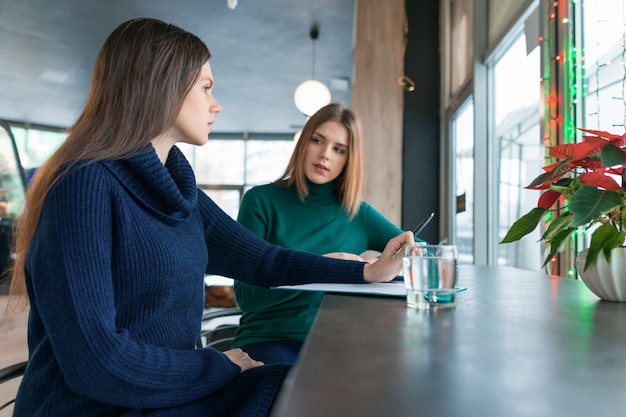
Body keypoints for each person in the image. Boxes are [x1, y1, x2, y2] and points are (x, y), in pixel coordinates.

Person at [6, 18, 413, 417]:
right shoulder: (83, 185)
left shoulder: (179, 191)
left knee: (336, 389)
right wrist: (219, 366)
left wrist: (366, 273)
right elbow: (95, 361)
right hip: (98, 406)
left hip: (167, 392)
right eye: (205, 88)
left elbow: (264, 260)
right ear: (160, 86)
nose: (216, 104)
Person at [231, 103, 423, 365]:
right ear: (303, 143)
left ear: (348, 159)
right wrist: (322, 266)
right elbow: (247, 297)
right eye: (317, 140)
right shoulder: (261, 201)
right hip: (270, 339)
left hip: (340, 340)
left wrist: (405, 254)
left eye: (339, 149)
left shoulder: (358, 213)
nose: (325, 155)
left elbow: (422, 250)